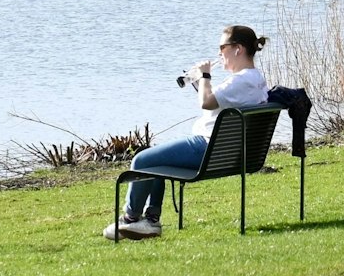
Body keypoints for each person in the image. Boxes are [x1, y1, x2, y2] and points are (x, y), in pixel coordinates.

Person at [105, 24, 270, 239]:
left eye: (222, 47)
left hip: (208, 149)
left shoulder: (240, 80)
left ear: (237, 48)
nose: (220, 53)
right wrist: (199, 80)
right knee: (157, 162)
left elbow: (206, 103)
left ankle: (130, 219)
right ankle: (150, 220)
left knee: (141, 161)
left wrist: (206, 76)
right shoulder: (256, 80)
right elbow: (218, 101)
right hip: (230, 153)